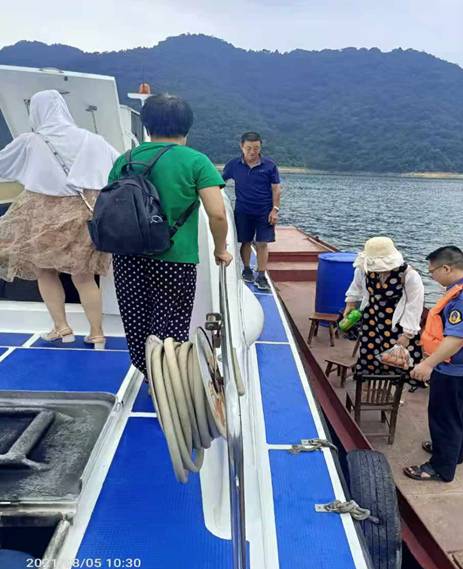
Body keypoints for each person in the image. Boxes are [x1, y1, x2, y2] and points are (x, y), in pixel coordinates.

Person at [108, 94, 232, 375]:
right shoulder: (196, 161)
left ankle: (147, 373)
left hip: (128, 257)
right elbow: (217, 214)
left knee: (137, 322)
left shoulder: (126, 159)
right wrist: (220, 250)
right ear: (187, 127)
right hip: (175, 259)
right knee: (170, 326)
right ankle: (165, 382)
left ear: (147, 125)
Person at [0, 89, 118, 348]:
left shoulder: (30, 141)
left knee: (45, 271)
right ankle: (97, 333)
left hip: (42, 215)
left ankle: (62, 328)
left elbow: (3, 165)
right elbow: (118, 168)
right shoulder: (94, 141)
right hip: (85, 214)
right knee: (84, 277)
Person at [404, 246, 463, 482]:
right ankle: (453, 453)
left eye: (432, 272)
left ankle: (440, 468)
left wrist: (428, 364)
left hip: (455, 371)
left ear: (446, 268)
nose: (432, 277)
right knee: (459, 413)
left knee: (444, 417)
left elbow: (456, 339)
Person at [344, 236, 425, 386]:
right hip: (372, 319)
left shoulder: (409, 275)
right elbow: (356, 287)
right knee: (370, 351)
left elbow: (414, 306)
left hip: (397, 324)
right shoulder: (364, 269)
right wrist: (350, 304)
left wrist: (407, 334)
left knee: (396, 359)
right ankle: (370, 382)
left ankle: (395, 389)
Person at [222, 131, 281, 291]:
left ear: (260, 147)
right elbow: (220, 181)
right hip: (243, 210)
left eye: (256, 148)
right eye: (249, 148)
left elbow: (276, 189)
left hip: (264, 210)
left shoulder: (269, 165)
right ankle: (247, 269)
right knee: (245, 241)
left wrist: (275, 210)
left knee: (262, 243)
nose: (252, 152)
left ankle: (261, 275)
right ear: (241, 146)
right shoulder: (234, 165)